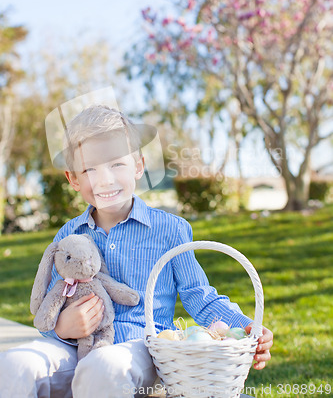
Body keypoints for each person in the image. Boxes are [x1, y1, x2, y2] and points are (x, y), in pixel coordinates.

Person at [0, 106, 273, 398]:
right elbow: (49, 307)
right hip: (74, 345)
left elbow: (200, 296)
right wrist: (62, 329)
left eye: (116, 164)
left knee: (103, 366)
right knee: (15, 364)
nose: (105, 179)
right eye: (90, 169)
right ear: (73, 179)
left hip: (139, 349)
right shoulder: (68, 235)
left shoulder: (169, 229)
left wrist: (245, 325)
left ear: (139, 166)